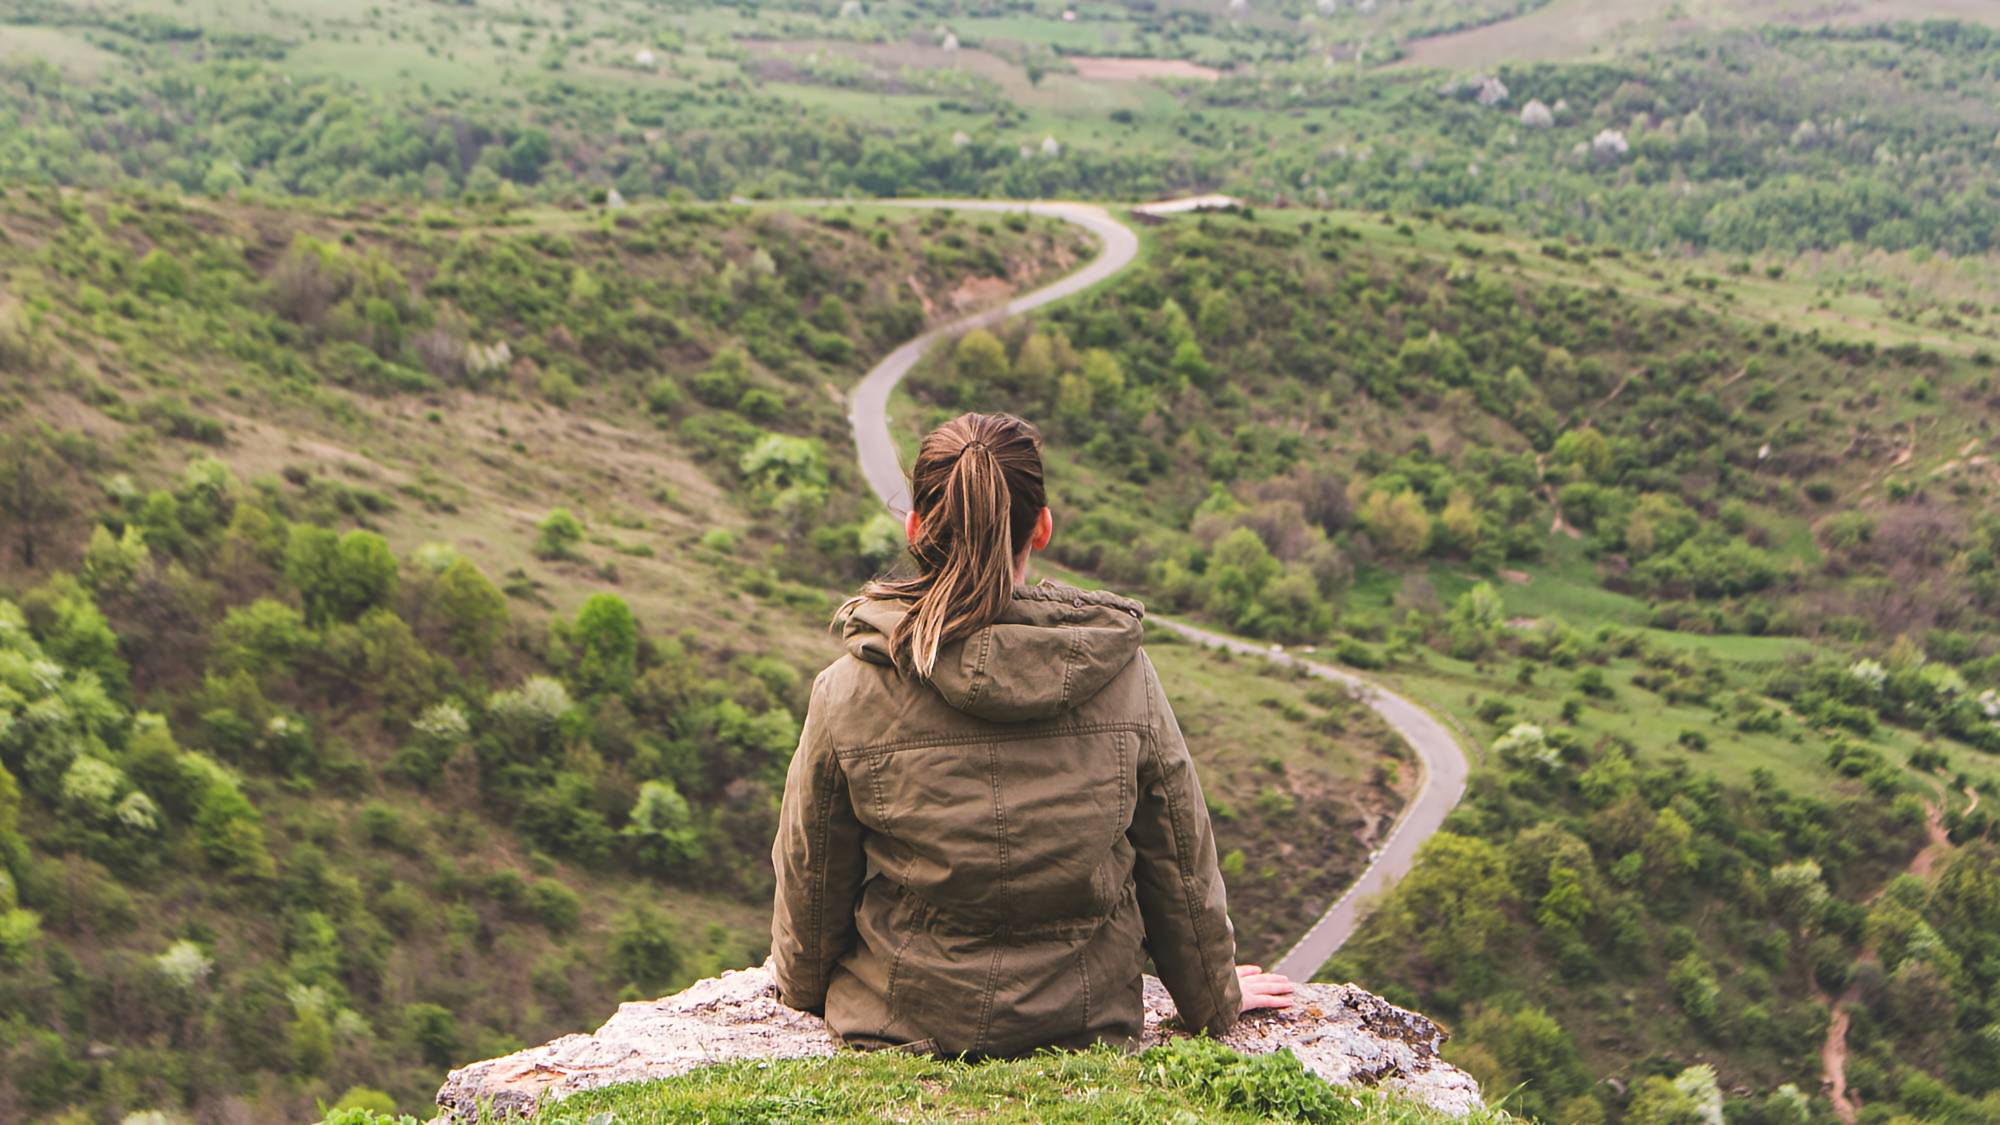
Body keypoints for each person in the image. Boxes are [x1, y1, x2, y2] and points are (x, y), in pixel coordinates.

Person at [770, 411, 1292, 1058]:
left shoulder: (848, 688)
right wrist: (1214, 1000)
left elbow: (813, 874)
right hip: (1084, 1024)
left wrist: (801, 989)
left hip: (899, 1023)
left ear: (915, 529)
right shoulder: (1121, 675)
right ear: (1041, 526)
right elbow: (1178, 861)